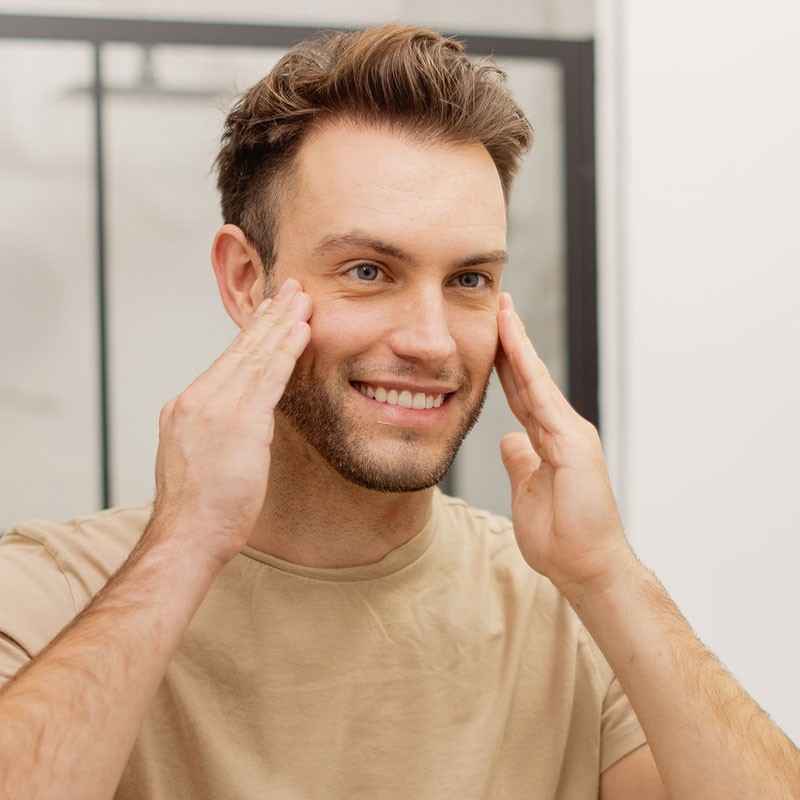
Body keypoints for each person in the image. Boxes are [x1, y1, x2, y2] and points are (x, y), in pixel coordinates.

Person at [0, 24, 797, 800]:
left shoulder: (568, 612)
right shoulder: (47, 594)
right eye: (369, 270)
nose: (431, 341)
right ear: (247, 280)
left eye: (470, 280)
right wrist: (184, 544)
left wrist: (609, 574)